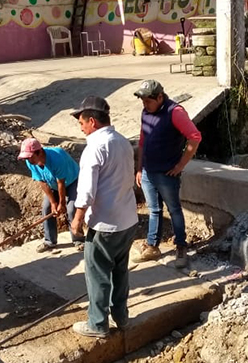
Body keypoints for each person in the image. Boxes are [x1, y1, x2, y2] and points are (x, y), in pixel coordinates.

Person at [69, 96, 138, 338]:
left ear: (92, 121)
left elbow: (86, 191)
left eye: (81, 122)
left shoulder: (94, 148)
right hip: (127, 220)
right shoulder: (123, 142)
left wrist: (77, 219)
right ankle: (122, 318)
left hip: (105, 223)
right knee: (120, 272)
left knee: (97, 274)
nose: (80, 127)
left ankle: (97, 324)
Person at [132, 80, 202, 268]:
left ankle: (181, 247)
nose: (145, 105)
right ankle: (153, 245)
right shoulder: (146, 112)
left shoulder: (175, 113)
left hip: (167, 173)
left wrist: (180, 165)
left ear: (160, 97)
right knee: (154, 209)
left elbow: (195, 137)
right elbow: (142, 140)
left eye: (148, 101)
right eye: (143, 101)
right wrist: (139, 168)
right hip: (148, 171)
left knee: (174, 210)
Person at [17, 137, 85, 252]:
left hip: (72, 180)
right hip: (53, 184)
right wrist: (54, 202)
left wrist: (62, 203)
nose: (28, 160)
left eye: (29, 156)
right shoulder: (31, 162)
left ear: (39, 152)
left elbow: (61, 182)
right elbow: (42, 182)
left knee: (71, 208)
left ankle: (78, 239)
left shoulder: (57, 158)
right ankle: (50, 241)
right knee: (47, 208)